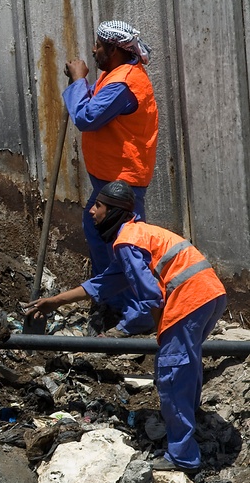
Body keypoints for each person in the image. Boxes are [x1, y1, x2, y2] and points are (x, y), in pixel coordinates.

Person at [25, 181, 226, 474]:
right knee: (186, 366)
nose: (92, 211)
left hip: (189, 299)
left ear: (113, 211)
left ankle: (183, 457)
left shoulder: (128, 241)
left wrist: (137, 329)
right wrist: (55, 301)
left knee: (170, 373)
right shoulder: (135, 235)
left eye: (98, 206)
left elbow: (151, 295)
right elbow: (104, 283)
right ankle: (190, 421)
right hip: (209, 295)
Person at [64, 20, 159, 335]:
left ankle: (140, 315)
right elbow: (92, 103)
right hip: (108, 181)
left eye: (100, 46)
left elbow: (87, 116)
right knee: (97, 230)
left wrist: (78, 81)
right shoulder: (113, 74)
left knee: (127, 249)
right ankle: (114, 302)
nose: (94, 50)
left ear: (117, 50)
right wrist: (82, 87)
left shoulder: (124, 83)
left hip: (123, 183)